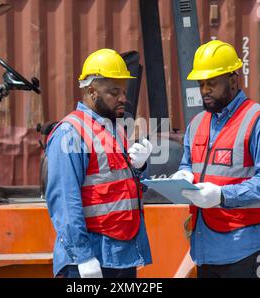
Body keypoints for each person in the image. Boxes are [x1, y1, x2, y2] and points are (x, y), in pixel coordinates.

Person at [172, 40, 260, 278]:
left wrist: (223, 196)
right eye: (201, 83)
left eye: (212, 83)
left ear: (233, 81)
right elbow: (187, 163)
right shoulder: (196, 125)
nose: (205, 90)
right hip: (204, 247)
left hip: (244, 247)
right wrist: (183, 174)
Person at [45, 49, 153, 278]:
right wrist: (82, 258)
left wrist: (140, 168)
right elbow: (64, 201)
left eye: (124, 91)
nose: (124, 98)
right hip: (91, 261)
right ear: (92, 91)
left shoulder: (115, 129)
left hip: (120, 257)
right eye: (115, 92)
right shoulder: (70, 133)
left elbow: (117, 188)